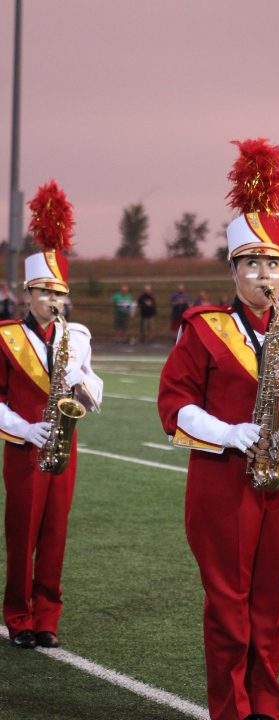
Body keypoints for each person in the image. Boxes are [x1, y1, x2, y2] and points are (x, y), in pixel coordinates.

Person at [158, 138, 279, 720]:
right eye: (252, 264)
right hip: (225, 479)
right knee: (229, 605)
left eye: (273, 264)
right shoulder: (203, 329)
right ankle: (230, 710)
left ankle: (265, 707)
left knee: (276, 602)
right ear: (234, 270)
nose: (264, 275)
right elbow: (174, 406)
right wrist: (232, 433)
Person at [0, 181, 103, 650]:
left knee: (56, 534)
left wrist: (85, 395)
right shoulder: (5, 336)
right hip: (23, 446)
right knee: (22, 536)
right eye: (43, 292)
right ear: (27, 293)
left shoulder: (74, 335)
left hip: (64, 443)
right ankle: (19, 616)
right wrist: (24, 428)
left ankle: (47, 617)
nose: (51, 300)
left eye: (57, 292)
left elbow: (91, 379)